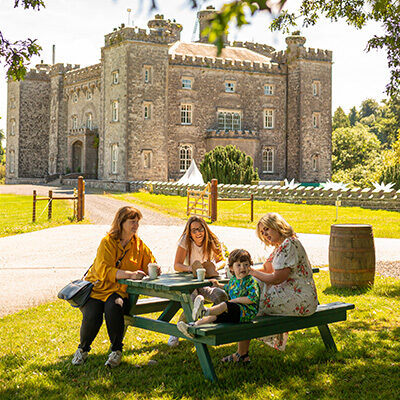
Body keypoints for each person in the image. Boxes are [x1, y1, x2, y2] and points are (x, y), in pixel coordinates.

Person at [222, 212, 319, 363]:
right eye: (262, 232)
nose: (265, 234)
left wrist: (250, 272)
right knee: (250, 289)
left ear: (277, 225)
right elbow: (267, 269)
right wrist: (243, 272)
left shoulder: (289, 245)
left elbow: (276, 279)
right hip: (294, 296)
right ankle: (241, 352)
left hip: (300, 300)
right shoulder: (281, 246)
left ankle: (238, 348)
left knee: (250, 300)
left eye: (267, 229)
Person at [71, 206, 160, 368]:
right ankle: (82, 350)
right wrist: (130, 275)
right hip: (98, 289)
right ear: (121, 223)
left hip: (118, 291)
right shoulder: (107, 242)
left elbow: (150, 262)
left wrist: (154, 268)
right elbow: (104, 270)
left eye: (137, 222)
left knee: (115, 305)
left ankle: (116, 351)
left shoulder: (138, 244)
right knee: (92, 313)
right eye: (132, 222)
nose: (136, 226)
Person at [167, 216, 228, 347]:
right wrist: (191, 268)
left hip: (206, 279)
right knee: (193, 300)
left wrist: (213, 267)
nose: (197, 233)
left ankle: (205, 323)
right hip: (189, 280)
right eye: (194, 230)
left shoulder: (212, 240)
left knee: (221, 295)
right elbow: (177, 265)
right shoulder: (185, 241)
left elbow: (222, 260)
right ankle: (177, 331)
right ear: (189, 233)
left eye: (200, 229)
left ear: (205, 229)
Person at [177, 249, 259, 343]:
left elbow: (252, 298)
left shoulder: (251, 281)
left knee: (224, 305)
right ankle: (192, 326)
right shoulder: (234, 280)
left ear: (250, 266)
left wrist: (236, 300)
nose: (243, 268)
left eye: (246, 264)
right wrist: (218, 285)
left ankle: (203, 311)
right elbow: (228, 288)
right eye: (239, 265)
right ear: (231, 268)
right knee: (214, 317)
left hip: (246, 313)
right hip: (235, 313)